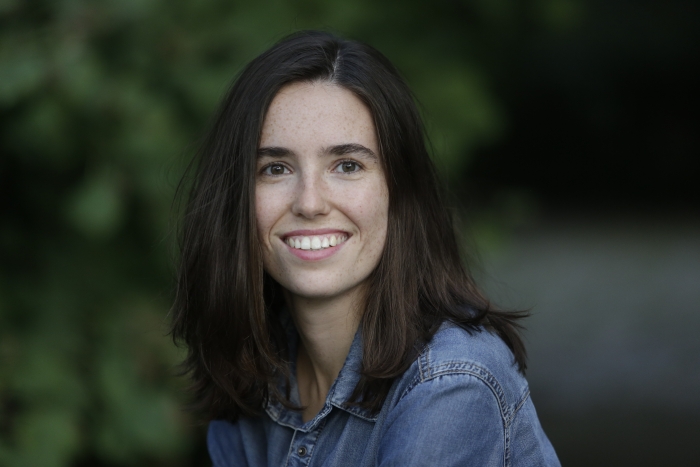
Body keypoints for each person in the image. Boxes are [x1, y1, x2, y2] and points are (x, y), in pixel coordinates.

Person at [171, 30, 560, 466]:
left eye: (347, 165)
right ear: (236, 197)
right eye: (276, 168)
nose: (309, 203)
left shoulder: (451, 383)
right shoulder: (252, 371)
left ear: (399, 191)